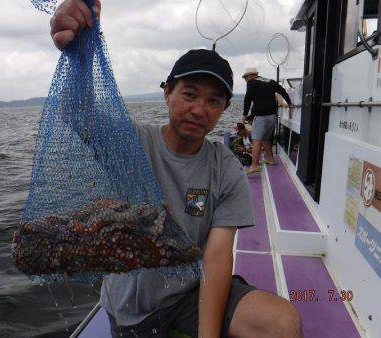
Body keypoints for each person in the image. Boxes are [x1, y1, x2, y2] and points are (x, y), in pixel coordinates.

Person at [50, 2, 302, 337]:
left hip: (189, 293)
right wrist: (79, 51)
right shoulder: (133, 143)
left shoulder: (225, 167)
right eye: (189, 94)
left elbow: (216, 258)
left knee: (282, 323)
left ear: (224, 108)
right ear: (167, 93)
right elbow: (75, 110)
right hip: (131, 309)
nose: (200, 109)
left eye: (214, 100)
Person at [241, 68, 293, 175]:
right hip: (273, 116)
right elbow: (282, 91)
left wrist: (245, 115)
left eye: (245, 78)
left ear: (250, 76)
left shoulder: (252, 82)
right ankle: (270, 159)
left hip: (261, 117)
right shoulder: (271, 81)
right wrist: (289, 103)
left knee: (256, 139)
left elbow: (248, 99)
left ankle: (254, 166)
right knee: (265, 138)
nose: (246, 80)